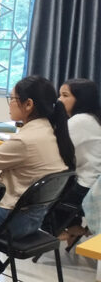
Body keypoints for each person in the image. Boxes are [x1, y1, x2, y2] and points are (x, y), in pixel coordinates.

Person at [0, 75, 75, 239]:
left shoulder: (25, 140)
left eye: (12, 98)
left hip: (7, 220)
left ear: (28, 104)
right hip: (33, 219)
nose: (10, 103)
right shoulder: (50, 130)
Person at [52, 78, 101, 243]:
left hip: (86, 187)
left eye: (65, 95)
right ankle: (73, 226)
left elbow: (54, 147)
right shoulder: (94, 118)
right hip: (94, 184)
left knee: (40, 193)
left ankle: (54, 232)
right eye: (59, 95)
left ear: (81, 99)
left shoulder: (80, 121)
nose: (59, 100)